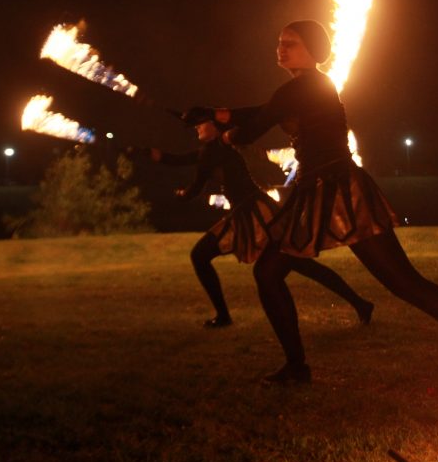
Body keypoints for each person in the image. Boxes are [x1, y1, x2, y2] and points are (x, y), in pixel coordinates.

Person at [192, 19, 438, 383]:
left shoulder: (301, 88)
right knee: (268, 272)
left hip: (339, 192)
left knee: (404, 283)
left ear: (313, 50)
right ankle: (297, 368)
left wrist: (222, 134)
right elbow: (265, 108)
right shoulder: (308, 85)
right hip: (319, 190)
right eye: (281, 41)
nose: (282, 48)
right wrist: (222, 114)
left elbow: (256, 125)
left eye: (292, 43)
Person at [146, 110, 374, 330]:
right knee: (300, 264)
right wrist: (157, 156)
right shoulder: (216, 149)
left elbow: (195, 188)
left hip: (253, 214)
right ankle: (361, 304)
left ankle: (224, 316)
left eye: (201, 123)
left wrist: (182, 195)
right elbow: (182, 159)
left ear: (215, 127)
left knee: (201, 255)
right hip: (251, 210)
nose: (196, 127)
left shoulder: (212, 152)